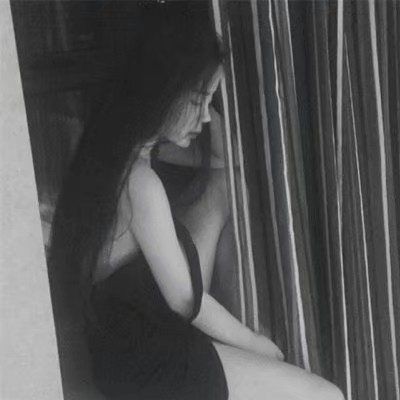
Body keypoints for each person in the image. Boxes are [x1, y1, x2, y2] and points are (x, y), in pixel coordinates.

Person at [48, 2, 345, 400]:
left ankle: (240, 338)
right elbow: (186, 301)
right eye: (197, 101)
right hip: (150, 366)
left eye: (210, 102)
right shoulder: (140, 184)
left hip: (123, 351)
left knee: (223, 187)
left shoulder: (116, 152)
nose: (205, 117)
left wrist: (200, 104)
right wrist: (254, 343)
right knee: (327, 396)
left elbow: (225, 165)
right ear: (159, 90)